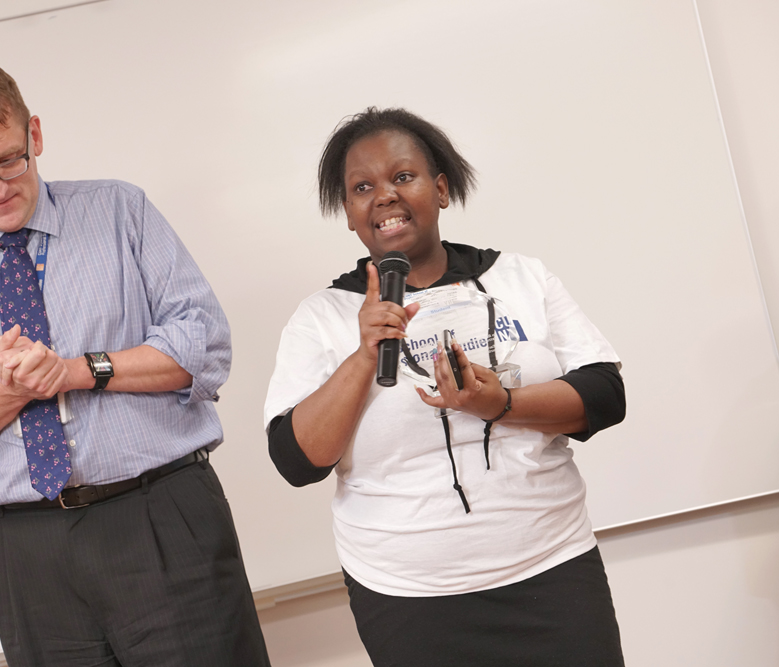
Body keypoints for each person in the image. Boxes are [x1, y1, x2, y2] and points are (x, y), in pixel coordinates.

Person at [0, 60, 270, 667]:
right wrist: (10, 393)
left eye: (10, 160)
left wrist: (73, 371)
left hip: (159, 515)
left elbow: (202, 344)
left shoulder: (120, 210)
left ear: (35, 135)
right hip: (28, 551)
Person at [264, 107, 626, 666]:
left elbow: (604, 396)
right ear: (350, 215)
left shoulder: (520, 276)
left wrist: (500, 404)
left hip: (553, 574)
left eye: (402, 177)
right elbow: (297, 460)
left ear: (440, 190)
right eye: (362, 187)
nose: (383, 196)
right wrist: (362, 356)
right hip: (410, 600)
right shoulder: (323, 317)